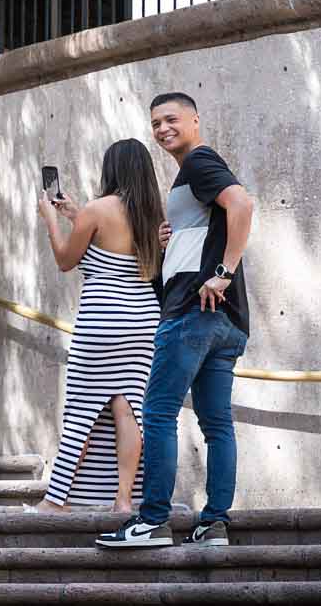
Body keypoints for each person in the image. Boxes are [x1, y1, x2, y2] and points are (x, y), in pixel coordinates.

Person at [96, 91, 256, 550]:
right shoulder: (190, 177)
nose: (163, 129)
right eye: (156, 124)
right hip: (225, 323)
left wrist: (221, 274)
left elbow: (242, 206)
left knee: (158, 412)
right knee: (217, 425)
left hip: (193, 314)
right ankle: (214, 524)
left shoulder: (201, 163)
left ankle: (152, 521)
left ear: (194, 120)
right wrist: (171, 241)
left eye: (171, 120)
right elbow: (213, 228)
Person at [36, 139, 165, 512]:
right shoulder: (153, 215)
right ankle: (124, 500)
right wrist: (75, 214)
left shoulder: (98, 209)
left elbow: (65, 260)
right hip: (143, 322)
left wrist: (50, 220)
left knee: (81, 409)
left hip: (102, 319)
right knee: (128, 408)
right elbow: (115, 247)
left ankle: (56, 499)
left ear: (111, 169)